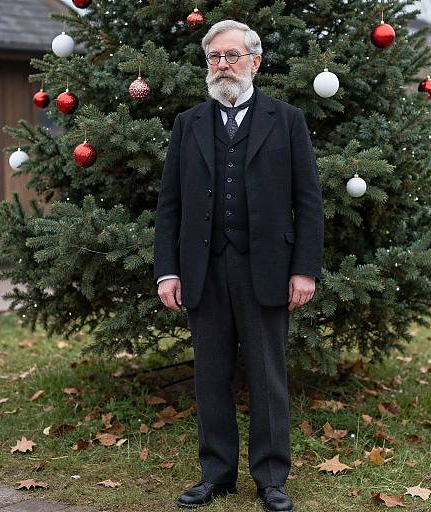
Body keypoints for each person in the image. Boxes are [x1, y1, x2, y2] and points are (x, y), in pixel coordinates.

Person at [153, 19, 324, 512]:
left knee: (269, 374)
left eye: (231, 56)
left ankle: (271, 478)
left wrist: (304, 268)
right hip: (203, 269)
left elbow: (308, 202)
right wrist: (168, 270)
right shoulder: (188, 124)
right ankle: (216, 474)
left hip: (267, 268)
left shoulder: (286, 119)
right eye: (214, 58)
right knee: (210, 374)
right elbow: (170, 206)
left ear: (255, 61)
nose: (222, 65)